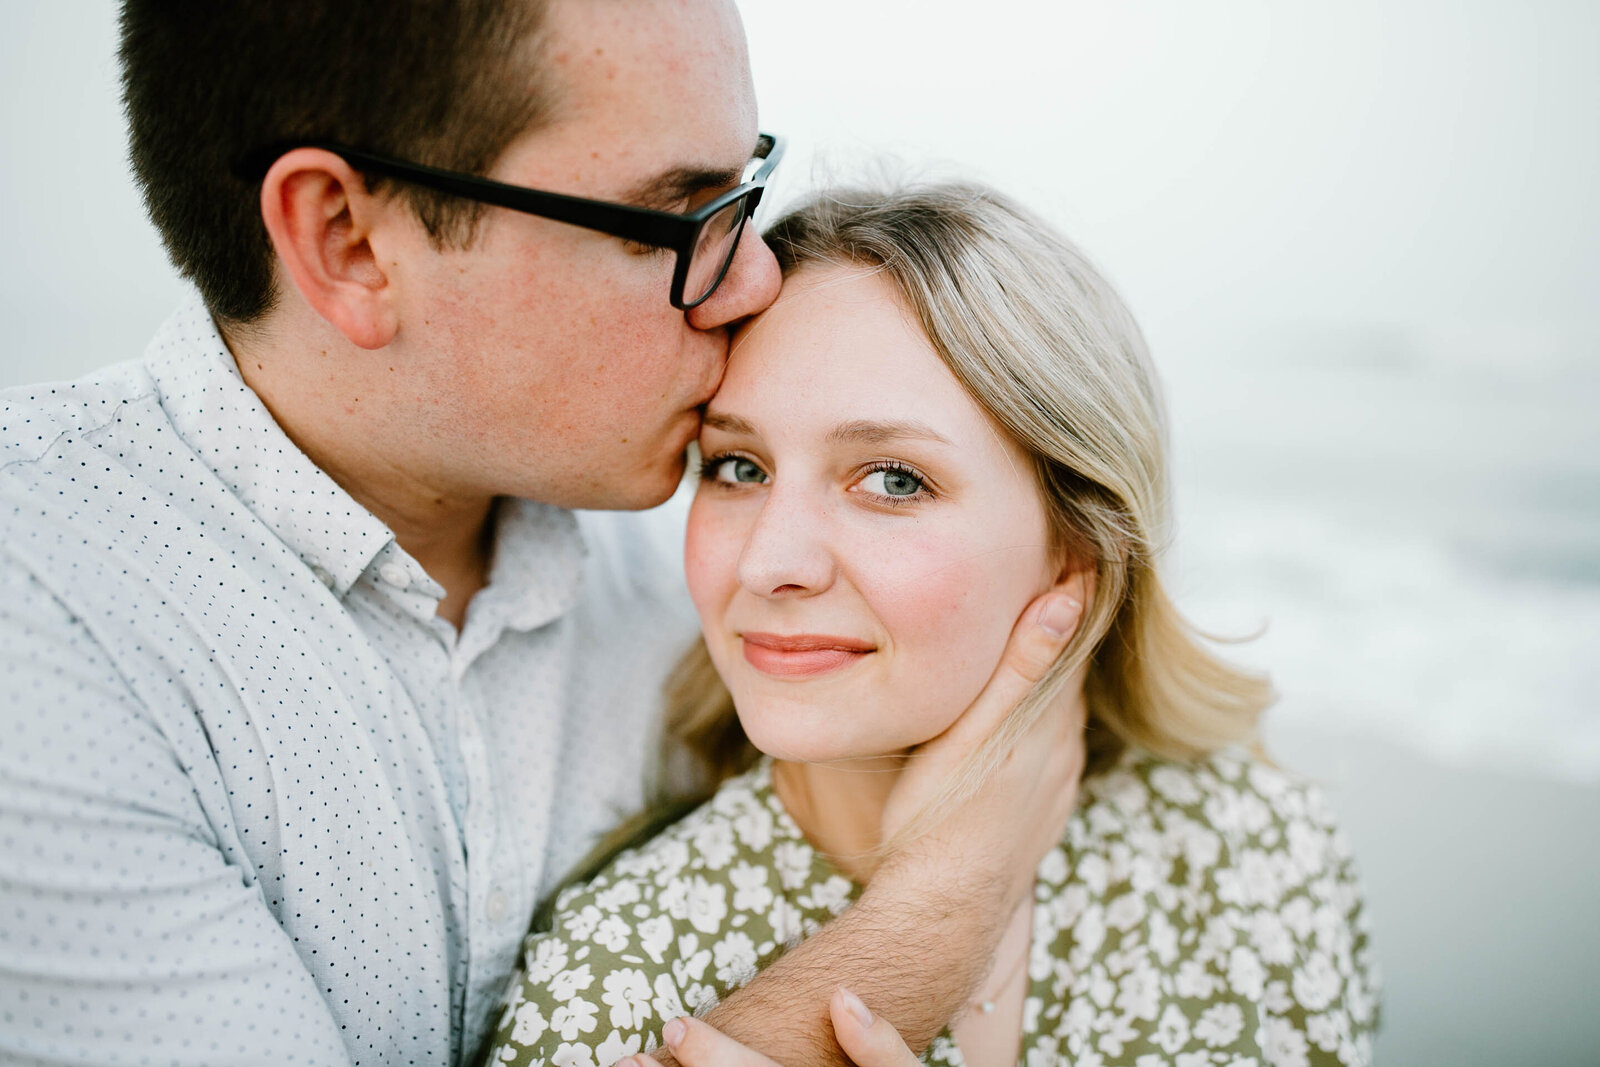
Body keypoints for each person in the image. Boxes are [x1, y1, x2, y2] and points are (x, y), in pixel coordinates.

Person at [0, 2, 1083, 1065]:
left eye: (745, 188)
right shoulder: (43, 622)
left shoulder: (702, 581)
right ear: (349, 240)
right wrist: (946, 906)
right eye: (675, 215)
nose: (753, 276)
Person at [479, 184, 1380, 1067]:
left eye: (892, 479)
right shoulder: (621, 981)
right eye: (738, 467)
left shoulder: (1253, 851)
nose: (767, 562)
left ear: (1076, 545)